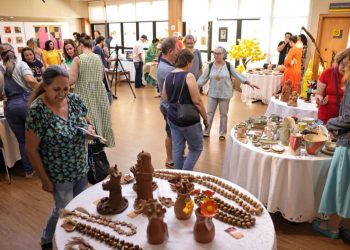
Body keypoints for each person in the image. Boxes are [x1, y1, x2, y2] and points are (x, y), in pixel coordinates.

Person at [25, 66, 95, 249]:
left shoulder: (74, 100)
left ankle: (73, 236)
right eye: (57, 89)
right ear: (45, 86)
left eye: (66, 88)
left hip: (80, 166)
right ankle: (48, 239)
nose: (63, 93)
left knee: (78, 206)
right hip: (59, 173)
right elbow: (31, 149)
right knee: (63, 210)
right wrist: (44, 180)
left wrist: (90, 131)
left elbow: (87, 123)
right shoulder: (38, 111)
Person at [312, 63, 350, 241]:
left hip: (347, 140)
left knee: (341, 186)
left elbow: (348, 118)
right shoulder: (329, 73)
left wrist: (331, 125)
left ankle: (332, 227)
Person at [197, 46, 259, 140]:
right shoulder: (210, 66)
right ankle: (206, 131)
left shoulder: (228, 66)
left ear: (224, 55)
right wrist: (193, 86)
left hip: (225, 94)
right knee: (209, 113)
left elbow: (238, 75)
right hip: (213, 93)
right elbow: (203, 79)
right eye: (215, 53)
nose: (216, 55)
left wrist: (249, 83)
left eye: (219, 53)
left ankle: (222, 133)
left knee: (223, 114)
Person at [162, 48, 208, 171]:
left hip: (172, 118)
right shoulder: (189, 76)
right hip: (188, 119)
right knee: (196, 148)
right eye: (192, 62)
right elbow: (197, 102)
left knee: (177, 147)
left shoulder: (169, 75)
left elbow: (164, 97)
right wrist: (205, 118)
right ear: (187, 61)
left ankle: (177, 175)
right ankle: (184, 174)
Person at [0, 43, 38, 178]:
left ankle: (28, 171)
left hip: (10, 107)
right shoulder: (21, 65)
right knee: (37, 137)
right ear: (14, 52)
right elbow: (30, 80)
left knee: (23, 141)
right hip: (26, 103)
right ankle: (42, 167)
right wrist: (41, 89)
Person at [69, 36, 115, 147]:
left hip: (83, 92)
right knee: (99, 116)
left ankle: (90, 145)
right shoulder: (97, 58)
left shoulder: (78, 59)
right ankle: (100, 142)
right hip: (99, 92)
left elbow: (72, 80)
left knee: (88, 118)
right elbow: (101, 77)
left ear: (81, 45)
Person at [157, 37, 179, 168]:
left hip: (166, 105)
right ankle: (171, 159)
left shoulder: (166, 64)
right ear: (170, 51)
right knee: (172, 133)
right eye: (176, 48)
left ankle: (171, 157)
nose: (178, 50)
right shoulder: (168, 70)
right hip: (169, 107)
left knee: (170, 132)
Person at [315, 48, 350, 124]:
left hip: (343, 119)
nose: (344, 69)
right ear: (339, 60)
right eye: (343, 64)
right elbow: (318, 94)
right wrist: (320, 99)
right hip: (324, 115)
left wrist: (331, 98)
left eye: (348, 67)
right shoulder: (327, 73)